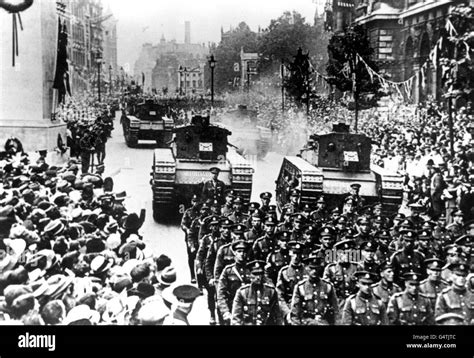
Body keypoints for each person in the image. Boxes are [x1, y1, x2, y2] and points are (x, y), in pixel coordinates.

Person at [290, 254, 338, 325]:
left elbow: (335, 310)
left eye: (316, 268)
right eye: (311, 268)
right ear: (307, 268)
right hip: (306, 322)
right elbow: (295, 312)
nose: (314, 271)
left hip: (324, 322)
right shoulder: (300, 287)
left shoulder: (328, 286)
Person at [231, 260, 282, 325]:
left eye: (260, 274)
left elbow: (278, 317)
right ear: (250, 275)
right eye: (255, 274)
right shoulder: (242, 293)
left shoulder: (271, 292)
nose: (258, 277)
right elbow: (236, 319)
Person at [216, 240, 251, 325]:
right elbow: (221, 293)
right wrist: (225, 311)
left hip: (249, 307)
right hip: (232, 307)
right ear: (234, 253)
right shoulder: (228, 271)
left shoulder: (252, 269)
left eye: (244, 252)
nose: (242, 254)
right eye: (239, 251)